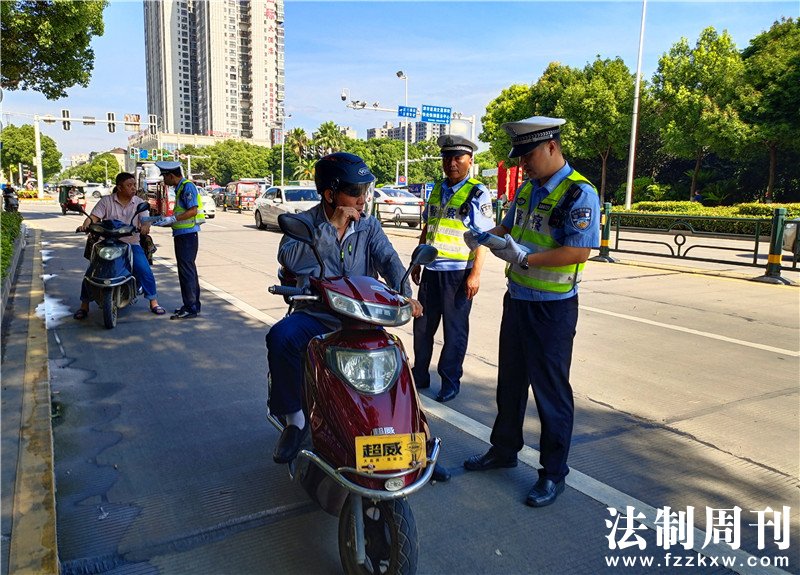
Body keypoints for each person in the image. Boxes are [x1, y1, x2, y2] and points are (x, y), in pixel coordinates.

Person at [265, 152, 451, 481]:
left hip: (362, 320)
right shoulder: (307, 222)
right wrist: (332, 227)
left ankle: (415, 445)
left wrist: (405, 292)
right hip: (319, 315)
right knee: (280, 338)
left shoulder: (368, 224)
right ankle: (295, 421)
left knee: (396, 365)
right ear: (330, 194)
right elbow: (289, 256)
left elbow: (388, 257)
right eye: (355, 192)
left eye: (365, 191)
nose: (362, 200)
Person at [462, 116, 600, 508]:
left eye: (529, 155)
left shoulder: (579, 194)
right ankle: (503, 449)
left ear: (552, 147)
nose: (524, 164)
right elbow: (507, 231)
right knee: (510, 383)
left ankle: (553, 473)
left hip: (552, 310)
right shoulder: (527, 190)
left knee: (551, 393)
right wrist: (485, 237)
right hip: (518, 301)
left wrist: (526, 258)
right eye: (521, 157)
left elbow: (578, 251)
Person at [411, 135, 494, 403]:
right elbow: (429, 226)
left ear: (470, 160)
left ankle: (449, 381)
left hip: (458, 274)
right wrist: (417, 259)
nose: (452, 163)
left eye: (458, 158)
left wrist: (475, 274)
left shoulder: (477, 192)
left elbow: (484, 236)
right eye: (447, 158)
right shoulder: (437, 188)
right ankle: (420, 374)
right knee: (422, 327)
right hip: (431, 270)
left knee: (454, 331)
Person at [73, 172, 165, 319]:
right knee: (91, 273)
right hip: (107, 243)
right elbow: (93, 218)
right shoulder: (106, 201)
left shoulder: (138, 202)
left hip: (130, 243)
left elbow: (145, 219)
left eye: (134, 185)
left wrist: (145, 226)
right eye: (129, 185)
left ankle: (153, 301)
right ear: (120, 187)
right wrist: (85, 226)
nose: (133, 188)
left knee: (144, 270)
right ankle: (84, 306)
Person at [151, 161, 204, 319]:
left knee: (186, 272)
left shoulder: (187, 186)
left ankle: (191, 307)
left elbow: (192, 210)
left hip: (187, 236)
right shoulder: (180, 187)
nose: (164, 180)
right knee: (189, 271)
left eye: (164, 177)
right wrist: (167, 221)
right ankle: (192, 305)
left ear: (171, 175)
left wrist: (172, 218)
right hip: (183, 234)